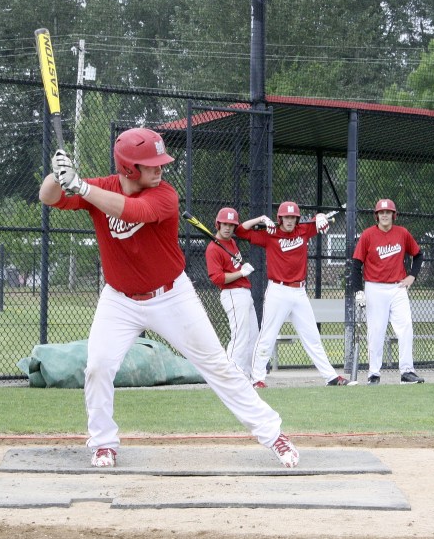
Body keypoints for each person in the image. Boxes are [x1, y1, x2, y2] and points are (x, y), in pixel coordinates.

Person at [38, 128, 298, 469]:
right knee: (98, 366)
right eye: (151, 164)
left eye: (160, 161)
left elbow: (133, 212)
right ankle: (102, 443)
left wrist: (83, 187)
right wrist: (57, 175)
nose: (160, 168)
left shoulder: (164, 196)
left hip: (171, 295)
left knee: (217, 364)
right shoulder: (102, 187)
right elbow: (48, 197)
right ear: (129, 168)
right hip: (119, 299)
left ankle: (272, 433)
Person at [237, 201, 352, 387]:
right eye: (286, 217)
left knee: (312, 337)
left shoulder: (303, 231)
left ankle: (330, 376)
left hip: (299, 292)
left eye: (293, 217)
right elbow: (241, 231)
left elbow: (318, 222)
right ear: (279, 218)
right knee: (267, 336)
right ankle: (257, 378)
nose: (290, 221)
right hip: (278, 291)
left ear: (297, 219)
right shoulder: (270, 233)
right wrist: (260, 219)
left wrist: (321, 217)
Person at [351, 198, 425, 385]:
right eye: (381, 212)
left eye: (388, 212)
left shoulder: (402, 233)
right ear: (376, 216)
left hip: (398, 287)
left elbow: (418, 255)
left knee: (406, 327)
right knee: (376, 332)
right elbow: (356, 264)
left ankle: (407, 371)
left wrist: (412, 276)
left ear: (393, 215)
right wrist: (358, 290)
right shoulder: (368, 235)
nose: (384, 215)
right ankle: (374, 373)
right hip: (374, 287)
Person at [205, 207, 258, 378]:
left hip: (244, 293)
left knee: (253, 336)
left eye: (231, 225)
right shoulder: (213, 248)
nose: (228, 228)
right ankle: (230, 376)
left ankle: (247, 376)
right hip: (232, 294)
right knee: (240, 337)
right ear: (218, 224)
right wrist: (240, 273)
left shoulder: (232, 243)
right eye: (224, 224)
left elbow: (244, 229)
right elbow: (217, 278)